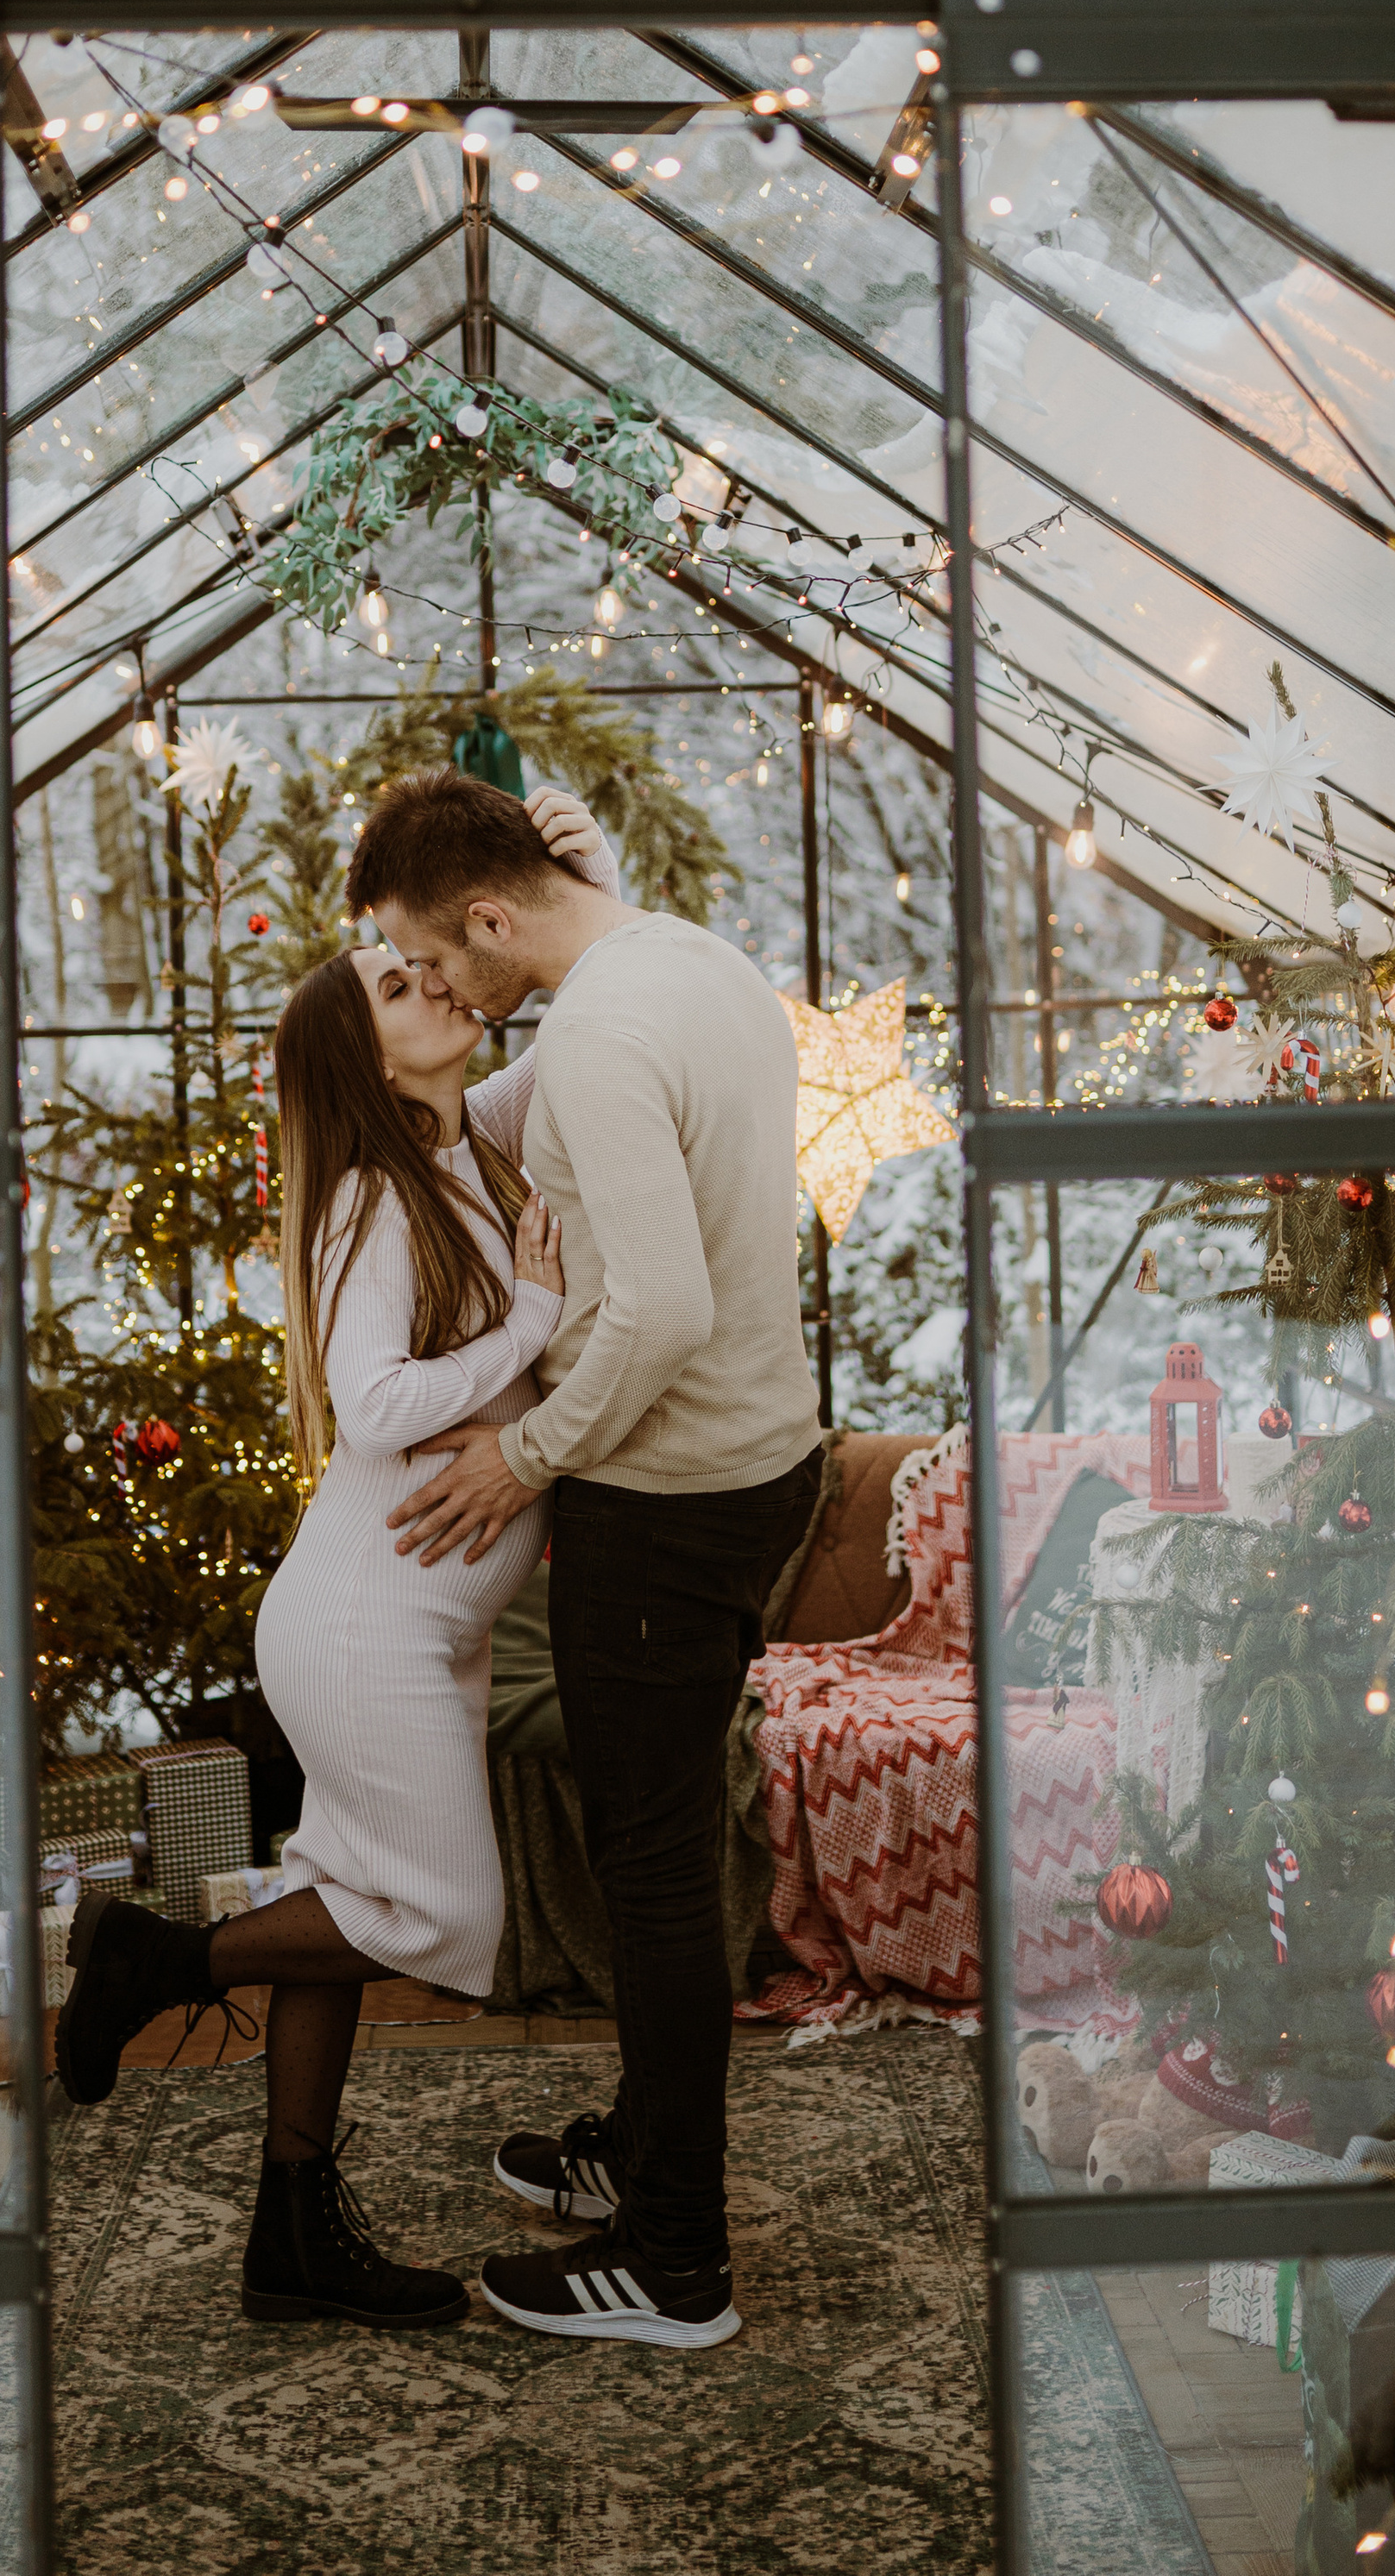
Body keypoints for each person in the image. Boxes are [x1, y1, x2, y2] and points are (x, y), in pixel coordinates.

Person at [53, 782, 618, 2333]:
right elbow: (372, 1409)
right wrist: (528, 1329)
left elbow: (570, 1026)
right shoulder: (374, 1198)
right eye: (394, 983)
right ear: (363, 1057)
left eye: (424, 965)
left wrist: (584, 874)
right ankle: (155, 1959)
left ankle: (291, 2231)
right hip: (364, 1631)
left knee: (358, 1908)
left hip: (400, 1626)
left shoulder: (470, 1154)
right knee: (444, 1920)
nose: (432, 981)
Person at [354, 766, 823, 2355]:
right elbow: (507, 1115)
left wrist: (526, 1455)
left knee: (655, 1877)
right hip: (757, 1468)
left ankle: (677, 2260)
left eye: (436, 956)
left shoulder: (605, 1034)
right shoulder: (689, 962)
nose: (434, 989)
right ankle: (645, 2147)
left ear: (493, 915)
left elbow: (666, 1310)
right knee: (665, 1847)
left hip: (664, 1500)